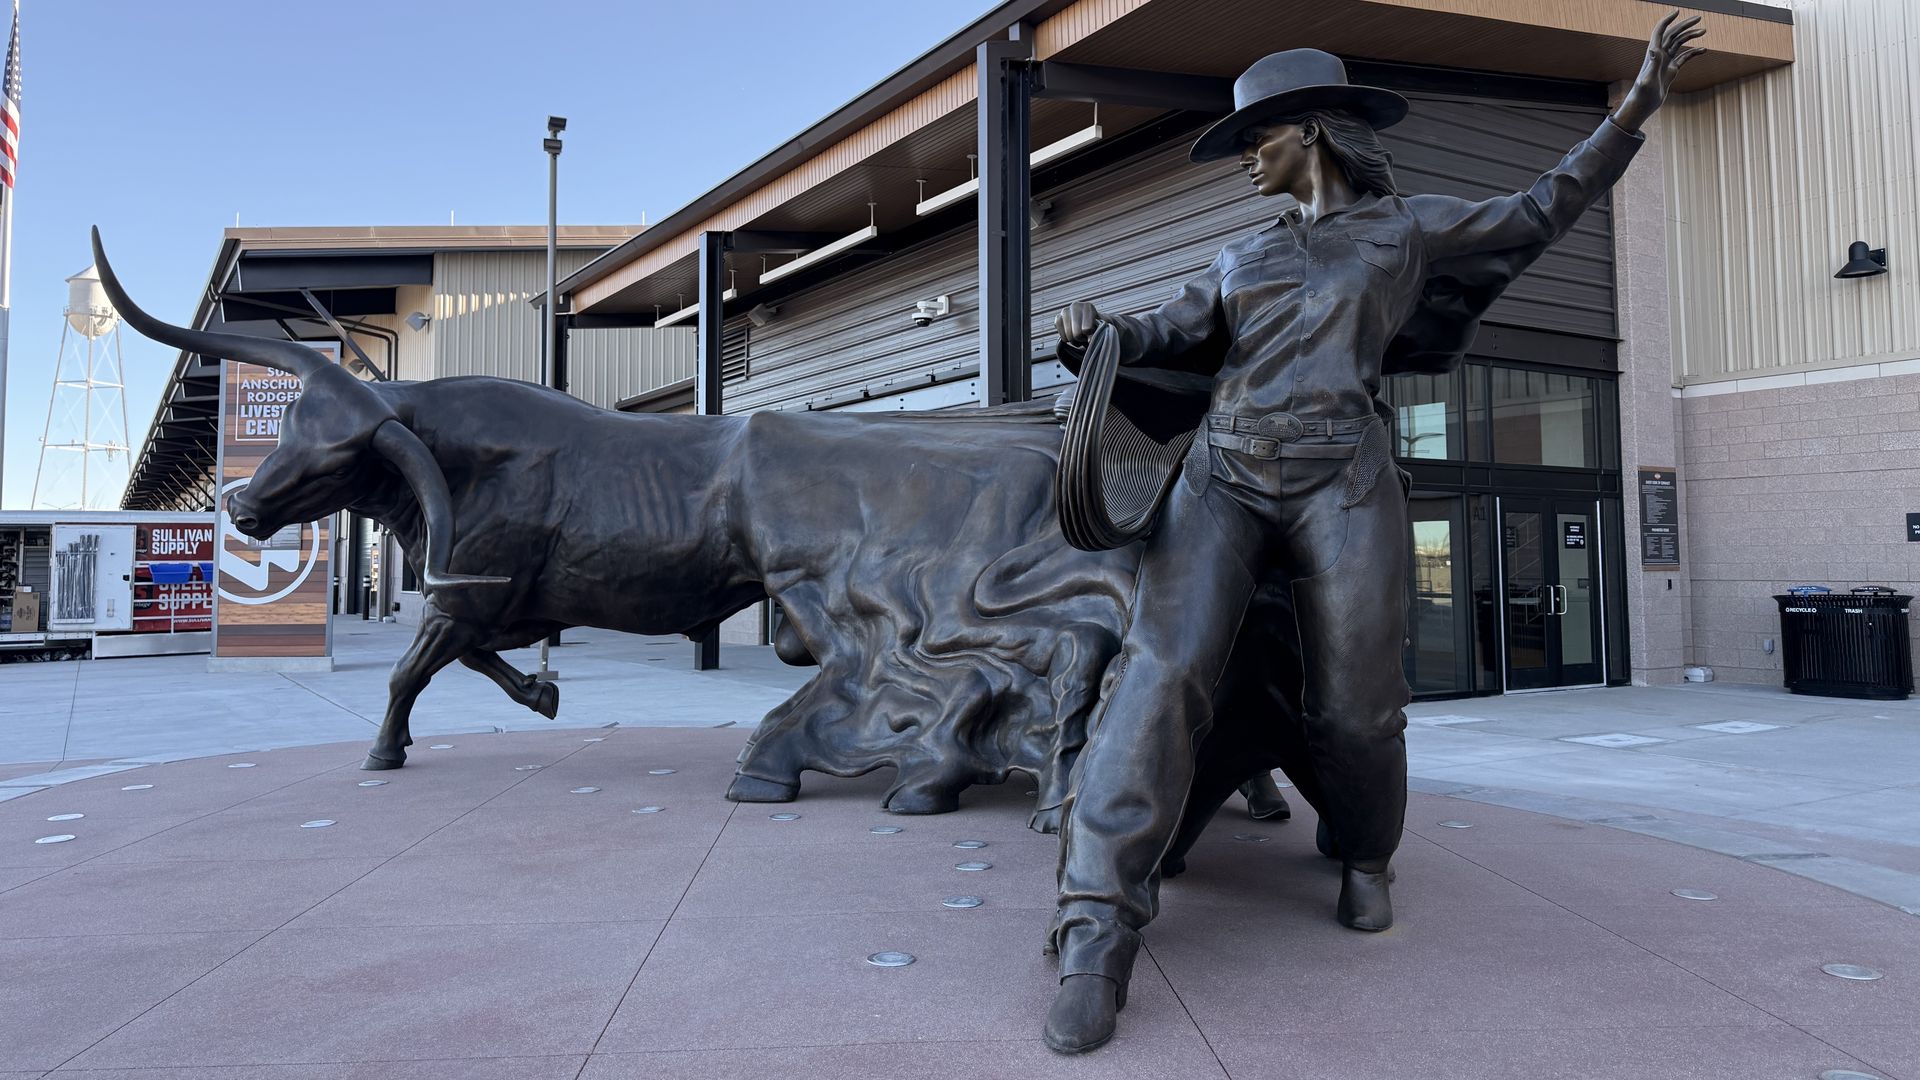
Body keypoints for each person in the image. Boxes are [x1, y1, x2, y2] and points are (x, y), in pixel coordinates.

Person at [1042, 13, 1707, 1054]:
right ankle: (1094, 930)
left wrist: (1632, 108)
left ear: (1311, 133)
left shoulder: (1404, 229)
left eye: (1256, 141)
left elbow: (1542, 208)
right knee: (1160, 673)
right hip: (1222, 471)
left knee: (1356, 706)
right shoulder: (1236, 256)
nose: (1245, 161)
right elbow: (1164, 332)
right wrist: (1099, 331)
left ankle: (1363, 853)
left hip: (1342, 474)